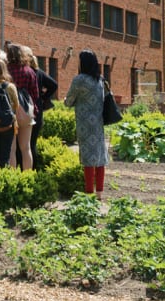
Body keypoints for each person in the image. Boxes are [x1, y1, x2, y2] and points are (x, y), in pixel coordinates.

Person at [64, 49, 108, 200]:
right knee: (100, 158)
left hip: (84, 124)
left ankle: (89, 193)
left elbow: (68, 101)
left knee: (88, 159)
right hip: (99, 123)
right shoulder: (100, 79)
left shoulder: (79, 80)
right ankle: (100, 193)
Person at [6, 44, 40, 170]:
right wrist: (35, 109)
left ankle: (13, 177)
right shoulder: (29, 70)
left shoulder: (6, 70)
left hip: (10, 109)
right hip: (26, 110)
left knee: (11, 149)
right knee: (26, 148)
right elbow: (35, 93)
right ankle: (28, 176)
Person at [25, 48, 58, 169]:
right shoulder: (39, 73)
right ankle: (34, 169)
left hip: (27, 109)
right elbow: (54, 85)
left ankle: (25, 168)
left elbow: (54, 85)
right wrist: (43, 97)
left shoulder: (26, 72)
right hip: (37, 110)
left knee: (24, 144)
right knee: (32, 143)